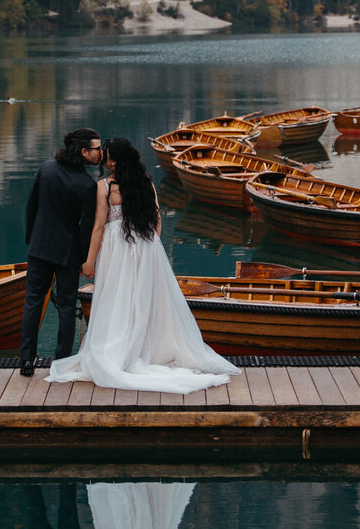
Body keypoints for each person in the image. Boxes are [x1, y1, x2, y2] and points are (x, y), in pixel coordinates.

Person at [48, 137, 238, 393]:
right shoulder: (146, 181)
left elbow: (98, 227)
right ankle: (146, 348)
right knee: (145, 299)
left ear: (113, 159)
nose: (103, 158)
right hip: (147, 246)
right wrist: (151, 248)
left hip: (117, 249)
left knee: (117, 298)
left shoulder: (104, 186)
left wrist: (89, 260)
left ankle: (121, 348)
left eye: (106, 154)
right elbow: (157, 218)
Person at [18, 126, 102, 376]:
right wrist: (87, 260)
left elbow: (31, 205)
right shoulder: (87, 185)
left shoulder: (46, 168)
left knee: (33, 302)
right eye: (97, 148)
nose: (101, 152)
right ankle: (61, 363)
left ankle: (26, 361)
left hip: (39, 248)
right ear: (84, 152)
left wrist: (30, 239)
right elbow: (85, 228)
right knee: (66, 307)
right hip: (67, 254)